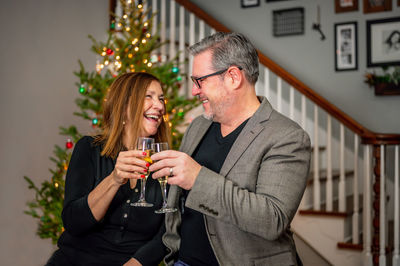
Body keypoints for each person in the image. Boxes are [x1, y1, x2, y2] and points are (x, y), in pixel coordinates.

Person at [150, 32, 311, 266]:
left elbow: (272, 219)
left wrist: (198, 179)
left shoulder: (287, 136)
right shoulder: (198, 126)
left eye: (200, 81)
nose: (194, 91)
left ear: (233, 77)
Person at [46, 72, 170, 266]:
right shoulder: (89, 149)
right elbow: (73, 223)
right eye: (149, 96)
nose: (160, 106)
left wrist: (136, 263)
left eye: (161, 99)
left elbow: (167, 233)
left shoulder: (165, 164)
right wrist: (114, 180)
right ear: (125, 105)